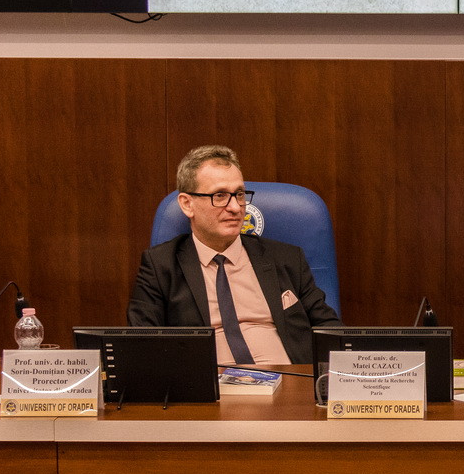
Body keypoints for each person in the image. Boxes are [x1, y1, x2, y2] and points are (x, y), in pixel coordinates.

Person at [127, 145, 340, 365]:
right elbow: (143, 345)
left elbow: (330, 331)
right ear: (187, 204)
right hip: (210, 383)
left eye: (239, 194)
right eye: (220, 196)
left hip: (290, 380)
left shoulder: (287, 258)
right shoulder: (160, 266)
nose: (236, 208)